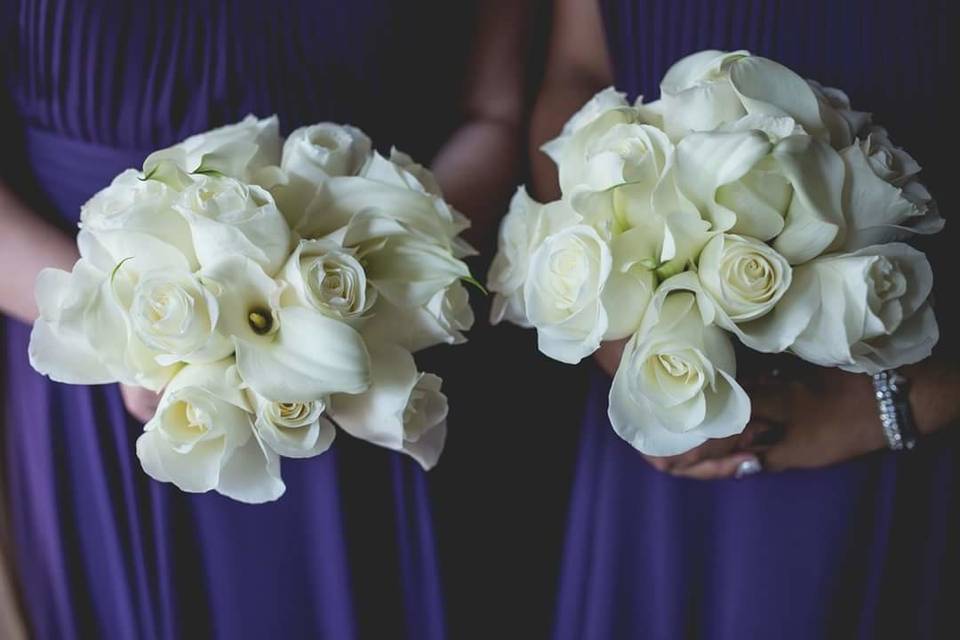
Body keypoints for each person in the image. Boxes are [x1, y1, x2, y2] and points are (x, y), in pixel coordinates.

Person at [0, 1, 531, 638]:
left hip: (373, 348)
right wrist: (126, 325)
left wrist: (382, 277)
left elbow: (495, 112)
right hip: (103, 369)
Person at [530, 0, 960, 637]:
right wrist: (614, 314)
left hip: (898, 422)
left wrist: (910, 403)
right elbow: (578, 67)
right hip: (663, 413)